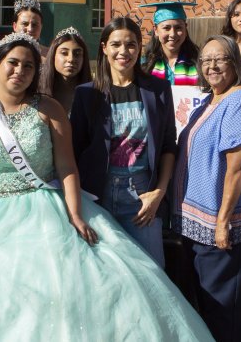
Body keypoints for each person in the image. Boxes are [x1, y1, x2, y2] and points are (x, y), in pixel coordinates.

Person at [0, 34, 213, 341]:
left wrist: (75, 213)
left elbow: (66, 166)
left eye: (28, 66)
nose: (20, 71)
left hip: (48, 208)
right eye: (13, 63)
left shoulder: (49, 108)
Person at [174, 35, 241, 342]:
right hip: (199, 231)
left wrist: (222, 221)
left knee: (226, 317)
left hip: (224, 232)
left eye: (220, 59)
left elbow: (238, 165)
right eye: (206, 60)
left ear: (235, 62)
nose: (211, 66)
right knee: (208, 313)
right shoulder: (213, 100)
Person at [70, 17, 176, 266]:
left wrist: (158, 194)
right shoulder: (87, 94)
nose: (123, 52)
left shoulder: (158, 89)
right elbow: (74, 153)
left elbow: (168, 147)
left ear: (140, 47)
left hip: (142, 195)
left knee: (151, 272)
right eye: (116, 44)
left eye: (131, 45)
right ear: (104, 47)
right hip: (97, 195)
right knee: (106, 273)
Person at [141, 0, 201, 87]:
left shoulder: (198, 62)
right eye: (166, 28)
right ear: (156, 30)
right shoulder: (144, 64)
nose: (173, 34)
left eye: (178, 28)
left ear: (185, 28)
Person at [42, 26, 93, 112]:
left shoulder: (94, 95)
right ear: (53, 55)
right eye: (64, 53)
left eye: (77, 54)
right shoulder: (37, 92)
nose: (71, 59)